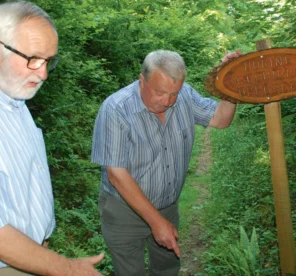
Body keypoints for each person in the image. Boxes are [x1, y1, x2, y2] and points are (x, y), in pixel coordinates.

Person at [91, 49, 239, 275]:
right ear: (142, 80)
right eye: (160, 92)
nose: (168, 101)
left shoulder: (185, 96)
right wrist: (156, 222)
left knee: (167, 269)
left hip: (168, 206)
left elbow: (221, 120)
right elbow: (116, 174)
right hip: (123, 211)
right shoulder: (116, 109)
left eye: (174, 93)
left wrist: (229, 82)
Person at [0, 0, 104, 276]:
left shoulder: (14, 101)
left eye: (48, 61)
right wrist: (67, 268)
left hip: (32, 258)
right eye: (32, 58)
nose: (43, 73)